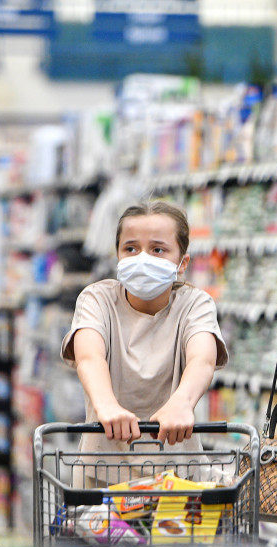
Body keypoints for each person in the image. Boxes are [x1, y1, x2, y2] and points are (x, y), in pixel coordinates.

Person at [61, 200, 228, 486]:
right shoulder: (97, 300)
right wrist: (106, 407)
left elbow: (203, 358)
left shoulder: (195, 304)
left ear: (182, 263)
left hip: (179, 476)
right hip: (103, 472)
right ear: (117, 256)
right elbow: (89, 357)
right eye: (131, 248)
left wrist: (182, 403)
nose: (142, 258)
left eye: (158, 249)